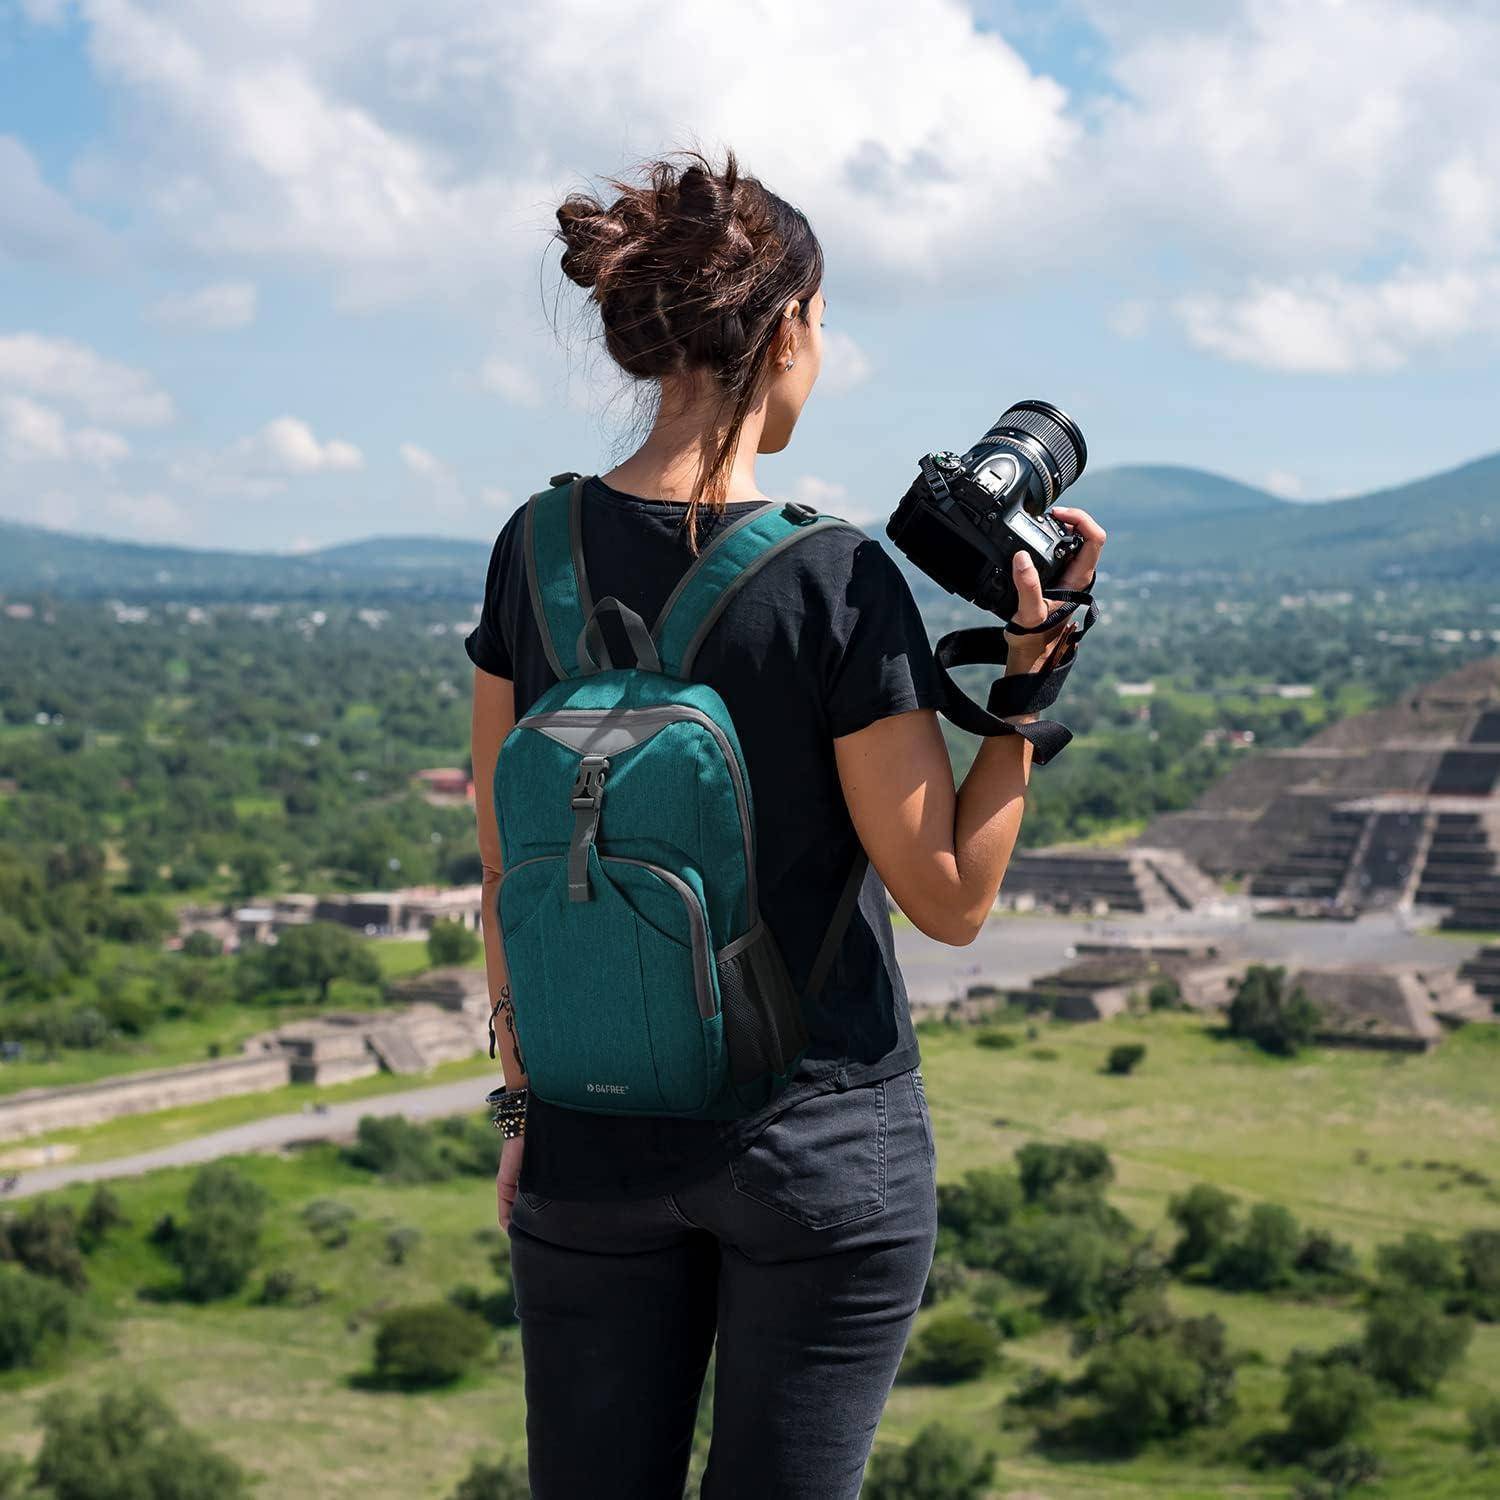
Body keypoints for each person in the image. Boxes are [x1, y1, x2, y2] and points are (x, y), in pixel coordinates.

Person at [466, 148, 1104, 1500]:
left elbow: (502, 857)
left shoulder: (533, 548)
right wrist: (1029, 697)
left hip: (590, 1125)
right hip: (814, 1145)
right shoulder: (833, 577)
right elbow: (948, 898)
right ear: (792, 327)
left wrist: (521, 1103)